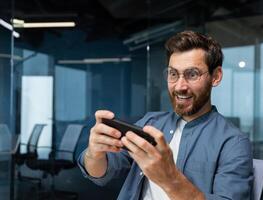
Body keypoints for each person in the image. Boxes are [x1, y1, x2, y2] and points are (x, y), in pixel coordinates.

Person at [77, 30, 253, 200]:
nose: (179, 86)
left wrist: (169, 179)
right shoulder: (151, 122)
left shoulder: (233, 143)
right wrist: (95, 154)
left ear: (216, 76)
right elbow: (101, 173)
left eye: (192, 74)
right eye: (173, 74)